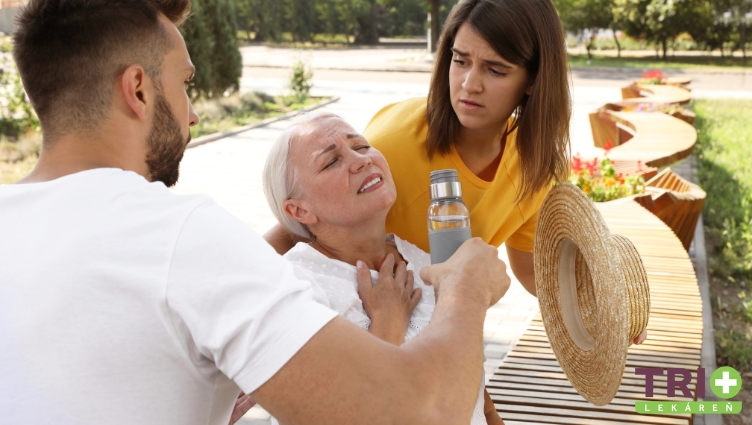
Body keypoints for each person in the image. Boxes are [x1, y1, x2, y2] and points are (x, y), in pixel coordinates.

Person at [0, 1, 512, 424]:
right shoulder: (184, 238)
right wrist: (467, 286)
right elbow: (422, 413)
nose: (193, 113)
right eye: (185, 84)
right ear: (138, 90)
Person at [263, 0, 648, 345]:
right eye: (460, 60)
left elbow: (533, 274)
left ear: (533, 80)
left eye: (495, 69)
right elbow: (297, 223)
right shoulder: (393, 143)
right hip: (360, 328)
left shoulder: (537, 168)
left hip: (445, 334)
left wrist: (603, 312)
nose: (469, 84)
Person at [262, 111, 505, 425]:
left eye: (362, 147)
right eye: (331, 161)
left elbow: (472, 382)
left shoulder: (423, 260)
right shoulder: (296, 288)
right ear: (299, 210)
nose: (362, 160)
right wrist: (388, 326)